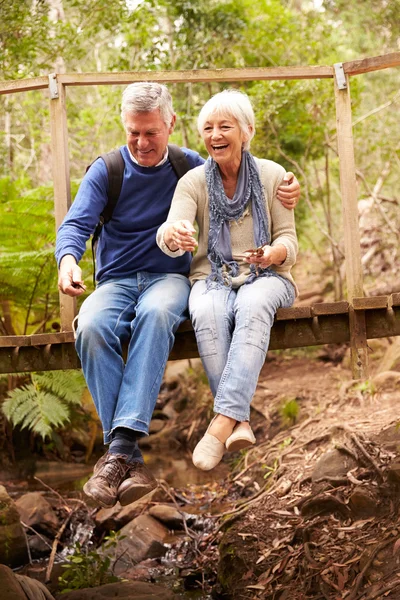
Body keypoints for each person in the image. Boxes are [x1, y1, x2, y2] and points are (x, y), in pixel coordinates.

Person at [55, 83, 300, 507]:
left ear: (170, 124)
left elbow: (237, 181)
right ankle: (127, 455)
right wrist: (68, 261)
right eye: (133, 132)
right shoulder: (107, 169)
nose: (142, 142)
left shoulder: (189, 166)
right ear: (124, 126)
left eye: (151, 132)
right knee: (91, 326)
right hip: (113, 281)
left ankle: (116, 456)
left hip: (168, 279)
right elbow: (76, 226)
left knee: (156, 315)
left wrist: (289, 191)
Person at [157, 89, 298, 471]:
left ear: (247, 130)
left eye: (225, 126)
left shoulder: (273, 176)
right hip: (213, 276)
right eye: (207, 128)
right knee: (204, 309)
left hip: (268, 276)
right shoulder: (193, 182)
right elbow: (172, 227)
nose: (215, 135)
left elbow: (289, 240)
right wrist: (175, 235)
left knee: (253, 303)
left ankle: (220, 424)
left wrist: (272, 254)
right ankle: (240, 419)